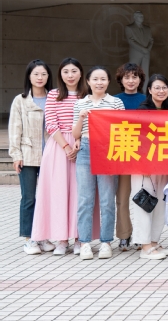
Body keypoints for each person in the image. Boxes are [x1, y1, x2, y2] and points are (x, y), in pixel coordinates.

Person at [31, 58, 90, 255]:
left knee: (80, 193)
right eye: (66, 71)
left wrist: (78, 141)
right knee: (58, 193)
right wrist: (66, 146)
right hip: (57, 147)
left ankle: (80, 238)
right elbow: (50, 123)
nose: (70, 75)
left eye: (74, 71)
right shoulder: (53, 95)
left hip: (82, 146)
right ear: (60, 75)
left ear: (81, 73)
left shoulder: (87, 95)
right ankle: (61, 239)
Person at [72, 66, 125, 260]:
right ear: (88, 81)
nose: (99, 82)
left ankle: (106, 242)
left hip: (108, 150)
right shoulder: (80, 104)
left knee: (107, 200)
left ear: (108, 81)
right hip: (86, 149)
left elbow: (122, 128)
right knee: (85, 200)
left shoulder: (116, 102)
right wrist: (81, 117)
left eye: (103, 79)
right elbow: (75, 134)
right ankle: (85, 242)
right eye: (95, 79)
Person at [10, 60, 55, 255]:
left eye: (43, 74)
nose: (40, 77)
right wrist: (16, 155)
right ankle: (29, 239)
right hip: (28, 156)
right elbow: (15, 129)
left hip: (51, 156)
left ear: (48, 76)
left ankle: (43, 236)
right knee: (28, 198)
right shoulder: (20, 100)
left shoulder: (54, 98)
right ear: (29, 76)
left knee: (47, 198)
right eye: (36, 74)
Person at [133, 74, 168, 260]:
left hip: (163, 164)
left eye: (164, 87)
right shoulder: (142, 110)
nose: (161, 91)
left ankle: (154, 241)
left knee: (159, 203)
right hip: (144, 165)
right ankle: (145, 246)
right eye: (157, 87)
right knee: (144, 203)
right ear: (149, 90)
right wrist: (143, 163)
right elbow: (137, 138)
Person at [113, 62, 146, 252]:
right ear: (121, 80)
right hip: (123, 153)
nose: (131, 80)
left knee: (142, 196)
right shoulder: (114, 101)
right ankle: (124, 235)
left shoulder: (147, 99)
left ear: (140, 80)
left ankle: (142, 236)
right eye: (127, 77)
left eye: (135, 77)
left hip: (144, 155)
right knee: (123, 198)